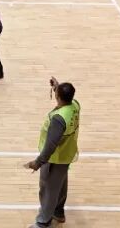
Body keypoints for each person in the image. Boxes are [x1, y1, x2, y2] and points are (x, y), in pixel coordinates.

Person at [24, 79, 80, 228]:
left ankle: (44, 222)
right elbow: (66, 96)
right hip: (67, 154)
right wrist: (58, 87)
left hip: (55, 158)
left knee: (48, 189)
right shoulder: (75, 105)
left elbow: (50, 145)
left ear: (58, 97)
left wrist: (38, 162)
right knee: (60, 184)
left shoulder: (59, 119)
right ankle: (58, 212)